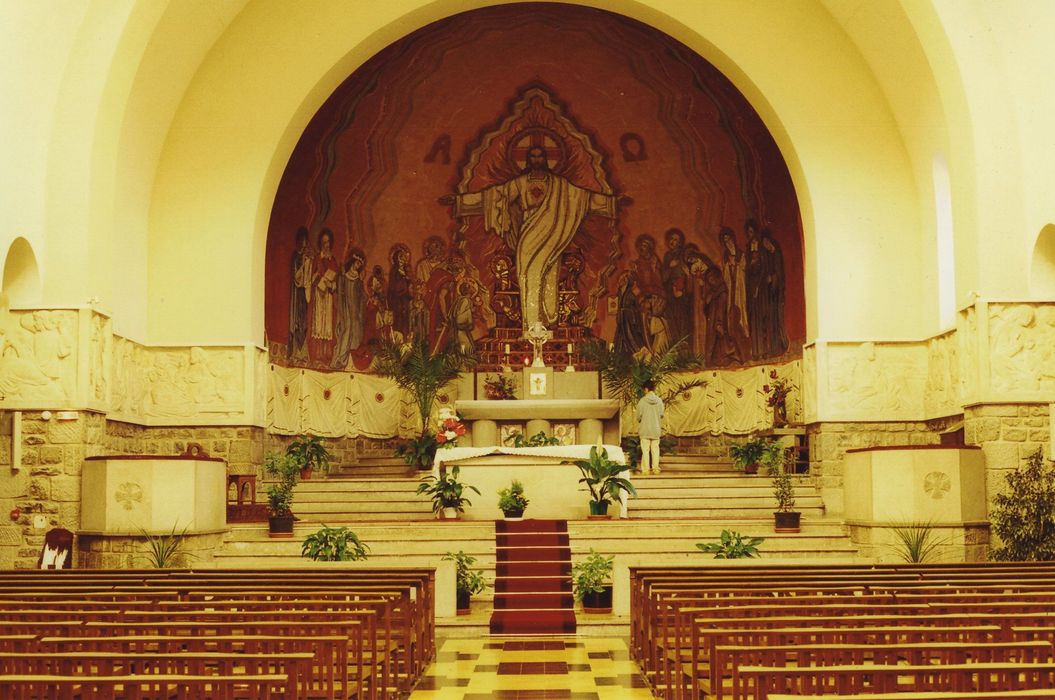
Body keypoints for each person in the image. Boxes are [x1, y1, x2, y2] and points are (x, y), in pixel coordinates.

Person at [440, 145, 623, 329]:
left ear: (545, 159)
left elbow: (584, 199)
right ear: (528, 160)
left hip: (553, 233)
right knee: (527, 275)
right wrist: (460, 201)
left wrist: (611, 203)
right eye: (533, 156)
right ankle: (531, 325)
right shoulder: (521, 183)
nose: (536, 160)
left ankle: (549, 323)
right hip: (528, 234)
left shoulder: (559, 185)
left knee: (550, 276)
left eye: (540, 156)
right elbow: (495, 197)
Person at [636, 379, 665, 475]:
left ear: (646, 389)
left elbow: (638, 417)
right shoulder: (659, 401)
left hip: (645, 429)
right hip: (656, 429)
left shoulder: (642, 401)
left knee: (645, 450)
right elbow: (661, 415)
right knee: (655, 450)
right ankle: (656, 469)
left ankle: (645, 470)